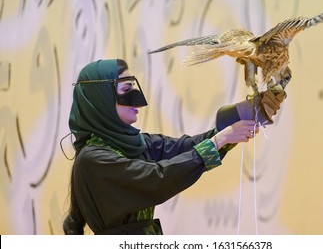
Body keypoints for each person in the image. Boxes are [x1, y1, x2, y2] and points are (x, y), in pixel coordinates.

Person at [62, 58, 286, 235]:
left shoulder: (138, 144)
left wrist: (250, 112)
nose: (137, 98)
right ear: (100, 99)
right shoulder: (94, 159)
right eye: (126, 89)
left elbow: (184, 148)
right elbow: (157, 179)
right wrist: (219, 140)